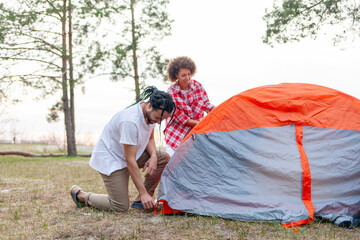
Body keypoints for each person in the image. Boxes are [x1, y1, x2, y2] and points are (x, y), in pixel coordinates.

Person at [70, 86, 175, 212]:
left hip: (130, 154)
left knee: (162, 158)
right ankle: (81, 195)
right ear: (149, 106)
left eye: (162, 120)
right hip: (112, 158)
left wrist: (153, 156)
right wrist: (142, 192)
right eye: (158, 118)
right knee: (120, 207)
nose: (158, 122)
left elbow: (150, 138)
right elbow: (130, 160)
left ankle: (140, 202)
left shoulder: (149, 115)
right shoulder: (130, 121)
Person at [164, 56, 215, 156]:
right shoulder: (171, 93)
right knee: (172, 160)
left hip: (196, 130)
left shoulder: (197, 86)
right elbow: (182, 119)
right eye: (183, 75)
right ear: (176, 75)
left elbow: (206, 104)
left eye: (189, 74)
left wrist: (217, 110)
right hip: (176, 133)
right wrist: (203, 124)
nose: (187, 78)